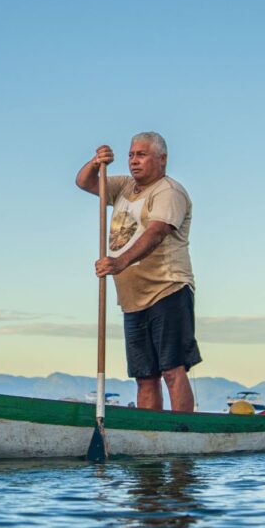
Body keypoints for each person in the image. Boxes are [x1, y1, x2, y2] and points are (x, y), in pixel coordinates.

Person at [74, 132, 199, 412]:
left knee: (172, 370)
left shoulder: (169, 191)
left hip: (167, 289)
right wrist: (96, 162)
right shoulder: (123, 187)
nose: (134, 161)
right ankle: (151, 439)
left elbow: (156, 233)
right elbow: (84, 182)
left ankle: (181, 436)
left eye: (141, 155)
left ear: (162, 159)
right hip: (132, 299)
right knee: (145, 376)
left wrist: (120, 263)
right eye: (131, 154)